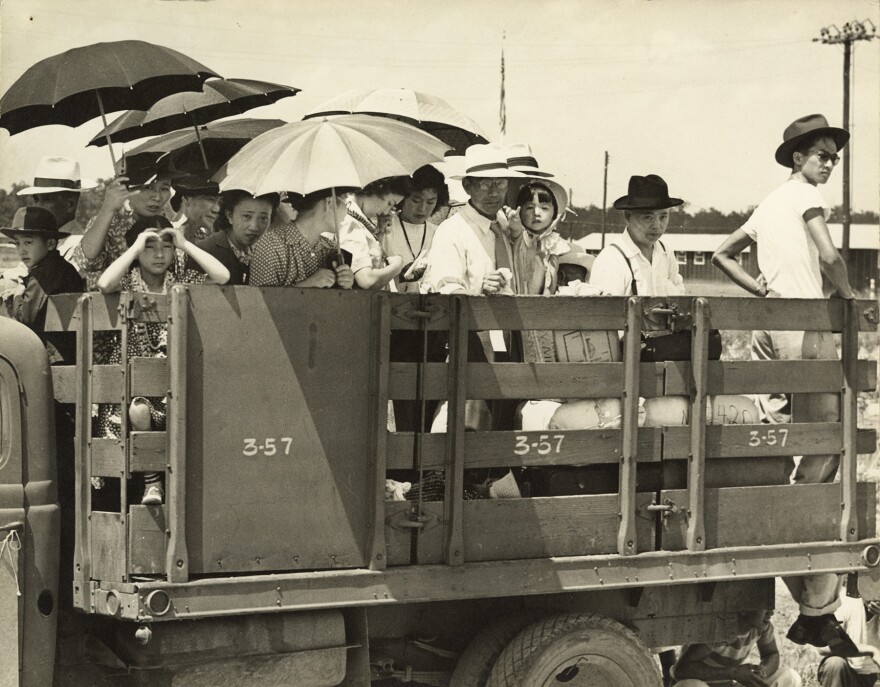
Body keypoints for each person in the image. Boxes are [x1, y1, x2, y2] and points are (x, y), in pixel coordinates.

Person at [712, 114, 854, 649]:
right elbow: (831, 255)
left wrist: (759, 290)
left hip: (769, 327)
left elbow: (722, 255)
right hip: (807, 326)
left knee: (781, 433)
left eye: (833, 157)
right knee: (826, 441)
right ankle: (796, 523)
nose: (829, 163)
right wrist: (847, 295)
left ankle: (784, 514)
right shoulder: (801, 199)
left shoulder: (768, 203)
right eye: (821, 154)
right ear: (797, 157)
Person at [95, 217, 230, 505]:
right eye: (150, 247)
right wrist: (132, 248)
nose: (159, 254)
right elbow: (104, 283)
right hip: (133, 387)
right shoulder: (128, 282)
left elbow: (223, 277)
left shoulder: (180, 284)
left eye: (166, 247)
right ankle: (151, 482)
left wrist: (185, 243)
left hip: (171, 381)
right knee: (138, 410)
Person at [421, 143, 523, 297]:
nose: (494, 193)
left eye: (501, 184)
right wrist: (481, 295)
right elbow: (446, 289)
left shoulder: (504, 224)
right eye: (485, 184)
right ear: (467, 186)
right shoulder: (451, 231)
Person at [72, 157, 182, 290]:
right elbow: (85, 260)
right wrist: (108, 208)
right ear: (126, 189)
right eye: (148, 187)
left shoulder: (169, 229)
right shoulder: (111, 224)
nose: (157, 197)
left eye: (164, 189)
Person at [1, 206, 84, 363]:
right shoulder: (57, 266)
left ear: (51, 243)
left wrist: (18, 292)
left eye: (28, 242)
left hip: (56, 357)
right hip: (66, 352)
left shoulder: (45, 273)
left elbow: (25, 318)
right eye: (17, 244)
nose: (21, 251)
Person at [589, 174, 685, 298]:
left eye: (663, 216)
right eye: (648, 217)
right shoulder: (611, 259)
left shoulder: (666, 253)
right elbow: (608, 314)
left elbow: (679, 297)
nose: (657, 225)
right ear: (628, 216)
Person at [249, 187, 355, 289]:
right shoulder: (271, 245)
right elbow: (258, 301)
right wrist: (307, 285)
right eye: (345, 203)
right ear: (329, 203)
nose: (347, 211)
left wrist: (346, 284)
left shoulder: (332, 249)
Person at [672, 609, 801, 687]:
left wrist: (761, 673)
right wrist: (733, 673)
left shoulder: (762, 628)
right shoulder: (719, 629)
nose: (771, 612)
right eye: (765, 607)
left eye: (771, 606)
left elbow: (771, 654)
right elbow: (682, 669)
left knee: (789, 676)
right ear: (744, 607)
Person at [16, 155, 95, 267]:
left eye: (48, 200)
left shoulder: (78, 246)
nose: (39, 207)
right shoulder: (42, 240)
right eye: (36, 199)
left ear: (70, 204)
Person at [383, 165, 449, 293]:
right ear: (403, 197)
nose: (422, 209)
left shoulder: (440, 233)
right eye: (416, 200)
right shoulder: (385, 227)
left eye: (430, 202)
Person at [339, 176, 411, 290]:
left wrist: (379, 233)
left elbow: (369, 258)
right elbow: (366, 280)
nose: (387, 211)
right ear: (377, 190)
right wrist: (396, 266)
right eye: (389, 203)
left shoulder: (357, 218)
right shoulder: (350, 221)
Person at [196, 190, 279, 285]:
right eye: (247, 216)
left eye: (263, 218)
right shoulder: (205, 251)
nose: (254, 227)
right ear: (230, 215)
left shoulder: (267, 253)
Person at [818, 590, 880, 687]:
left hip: (876, 675)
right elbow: (823, 646)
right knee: (835, 664)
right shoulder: (845, 602)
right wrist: (870, 650)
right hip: (849, 673)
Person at [170, 175, 221, 242]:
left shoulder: (222, 239)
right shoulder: (170, 235)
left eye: (220, 203)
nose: (217, 209)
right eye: (210, 199)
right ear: (187, 199)